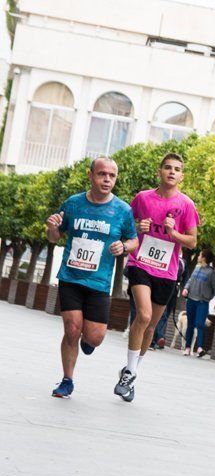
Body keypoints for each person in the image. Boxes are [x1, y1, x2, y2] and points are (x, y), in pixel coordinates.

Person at [46, 157, 138, 398]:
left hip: (99, 282)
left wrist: (124, 247)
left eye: (112, 176)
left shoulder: (122, 210)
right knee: (71, 328)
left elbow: (133, 239)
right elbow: (54, 237)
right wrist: (53, 228)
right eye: (102, 174)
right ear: (91, 175)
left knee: (94, 337)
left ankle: (88, 342)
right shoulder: (74, 204)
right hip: (71, 276)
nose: (107, 179)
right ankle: (67, 380)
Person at [116, 153, 199, 402]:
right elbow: (124, 225)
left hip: (168, 270)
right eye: (167, 168)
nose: (172, 172)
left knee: (151, 326)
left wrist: (174, 233)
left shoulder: (186, 205)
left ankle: (131, 371)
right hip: (140, 263)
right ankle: (129, 372)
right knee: (143, 315)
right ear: (159, 171)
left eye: (177, 169)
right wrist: (138, 228)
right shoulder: (143, 198)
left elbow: (193, 242)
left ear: (182, 175)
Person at [181, 249, 215, 358]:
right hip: (191, 300)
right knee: (190, 325)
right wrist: (185, 288)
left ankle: (199, 348)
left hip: (202, 302)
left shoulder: (211, 272)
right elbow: (190, 280)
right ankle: (188, 348)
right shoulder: (197, 268)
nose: (198, 256)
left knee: (199, 324)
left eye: (199, 255)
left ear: (203, 258)